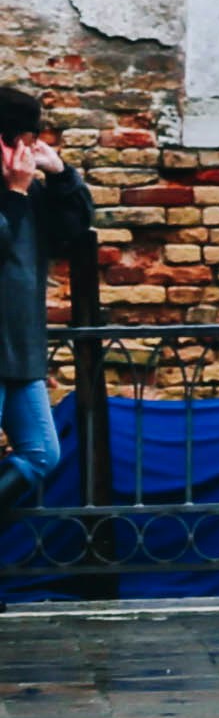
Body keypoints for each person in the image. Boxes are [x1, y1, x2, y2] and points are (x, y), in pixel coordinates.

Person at [0, 89, 85, 529]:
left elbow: (72, 232)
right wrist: (13, 193)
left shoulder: (29, 190)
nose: (27, 152)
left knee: (41, 454)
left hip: (20, 353)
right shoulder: (16, 192)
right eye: (22, 140)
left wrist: (62, 175)